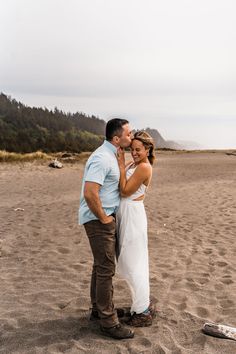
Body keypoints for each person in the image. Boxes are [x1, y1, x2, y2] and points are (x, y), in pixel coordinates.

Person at [79, 118, 134, 339]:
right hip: (97, 220)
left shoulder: (112, 154)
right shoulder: (102, 158)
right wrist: (104, 218)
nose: (131, 136)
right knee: (106, 269)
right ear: (116, 138)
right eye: (128, 134)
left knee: (100, 265)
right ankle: (109, 322)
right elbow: (90, 192)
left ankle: (98, 310)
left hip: (101, 218)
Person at [116, 130, 156, 327]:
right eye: (132, 149)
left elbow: (124, 190)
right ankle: (140, 304)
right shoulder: (136, 164)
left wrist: (121, 165)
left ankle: (142, 310)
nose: (134, 153)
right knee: (130, 260)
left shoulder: (144, 168)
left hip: (133, 215)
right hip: (127, 212)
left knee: (134, 263)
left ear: (147, 149)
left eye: (138, 149)